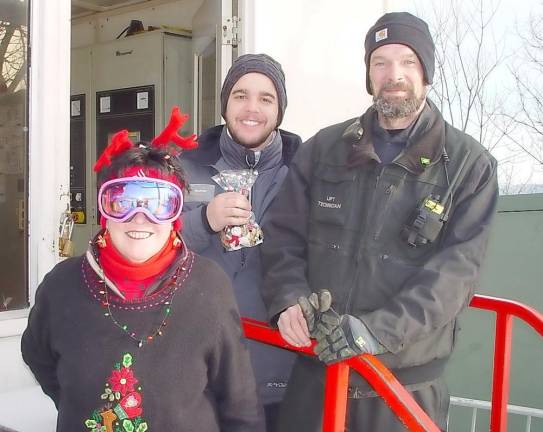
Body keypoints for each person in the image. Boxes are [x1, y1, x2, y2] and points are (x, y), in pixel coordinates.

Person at [261, 12, 499, 432]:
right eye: (380, 62)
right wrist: (288, 297)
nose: (394, 74)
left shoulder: (469, 166)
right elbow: (283, 236)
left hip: (401, 390)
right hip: (316, 378)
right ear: (369, 75)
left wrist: (374, 331)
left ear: (426, 73)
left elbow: (455, 275)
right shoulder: (323, 149)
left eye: (408, 62)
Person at [21, 108, 264, 432]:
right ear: (104, 210)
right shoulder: (61, 287)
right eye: (122, 201)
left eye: (158, 203)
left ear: (175, 215)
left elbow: (240, 404)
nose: (140, 217)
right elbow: (41, 360)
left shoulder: (208, 287)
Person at [181, 53, 301, 431]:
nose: (252, 108)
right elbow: (151, 242)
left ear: (280, 109)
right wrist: (204, 219)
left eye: (266, 98)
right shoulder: (183, 164)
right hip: (199, 369)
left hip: (280, 369)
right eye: (240, 96)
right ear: (225, 105)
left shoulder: (306, 169)